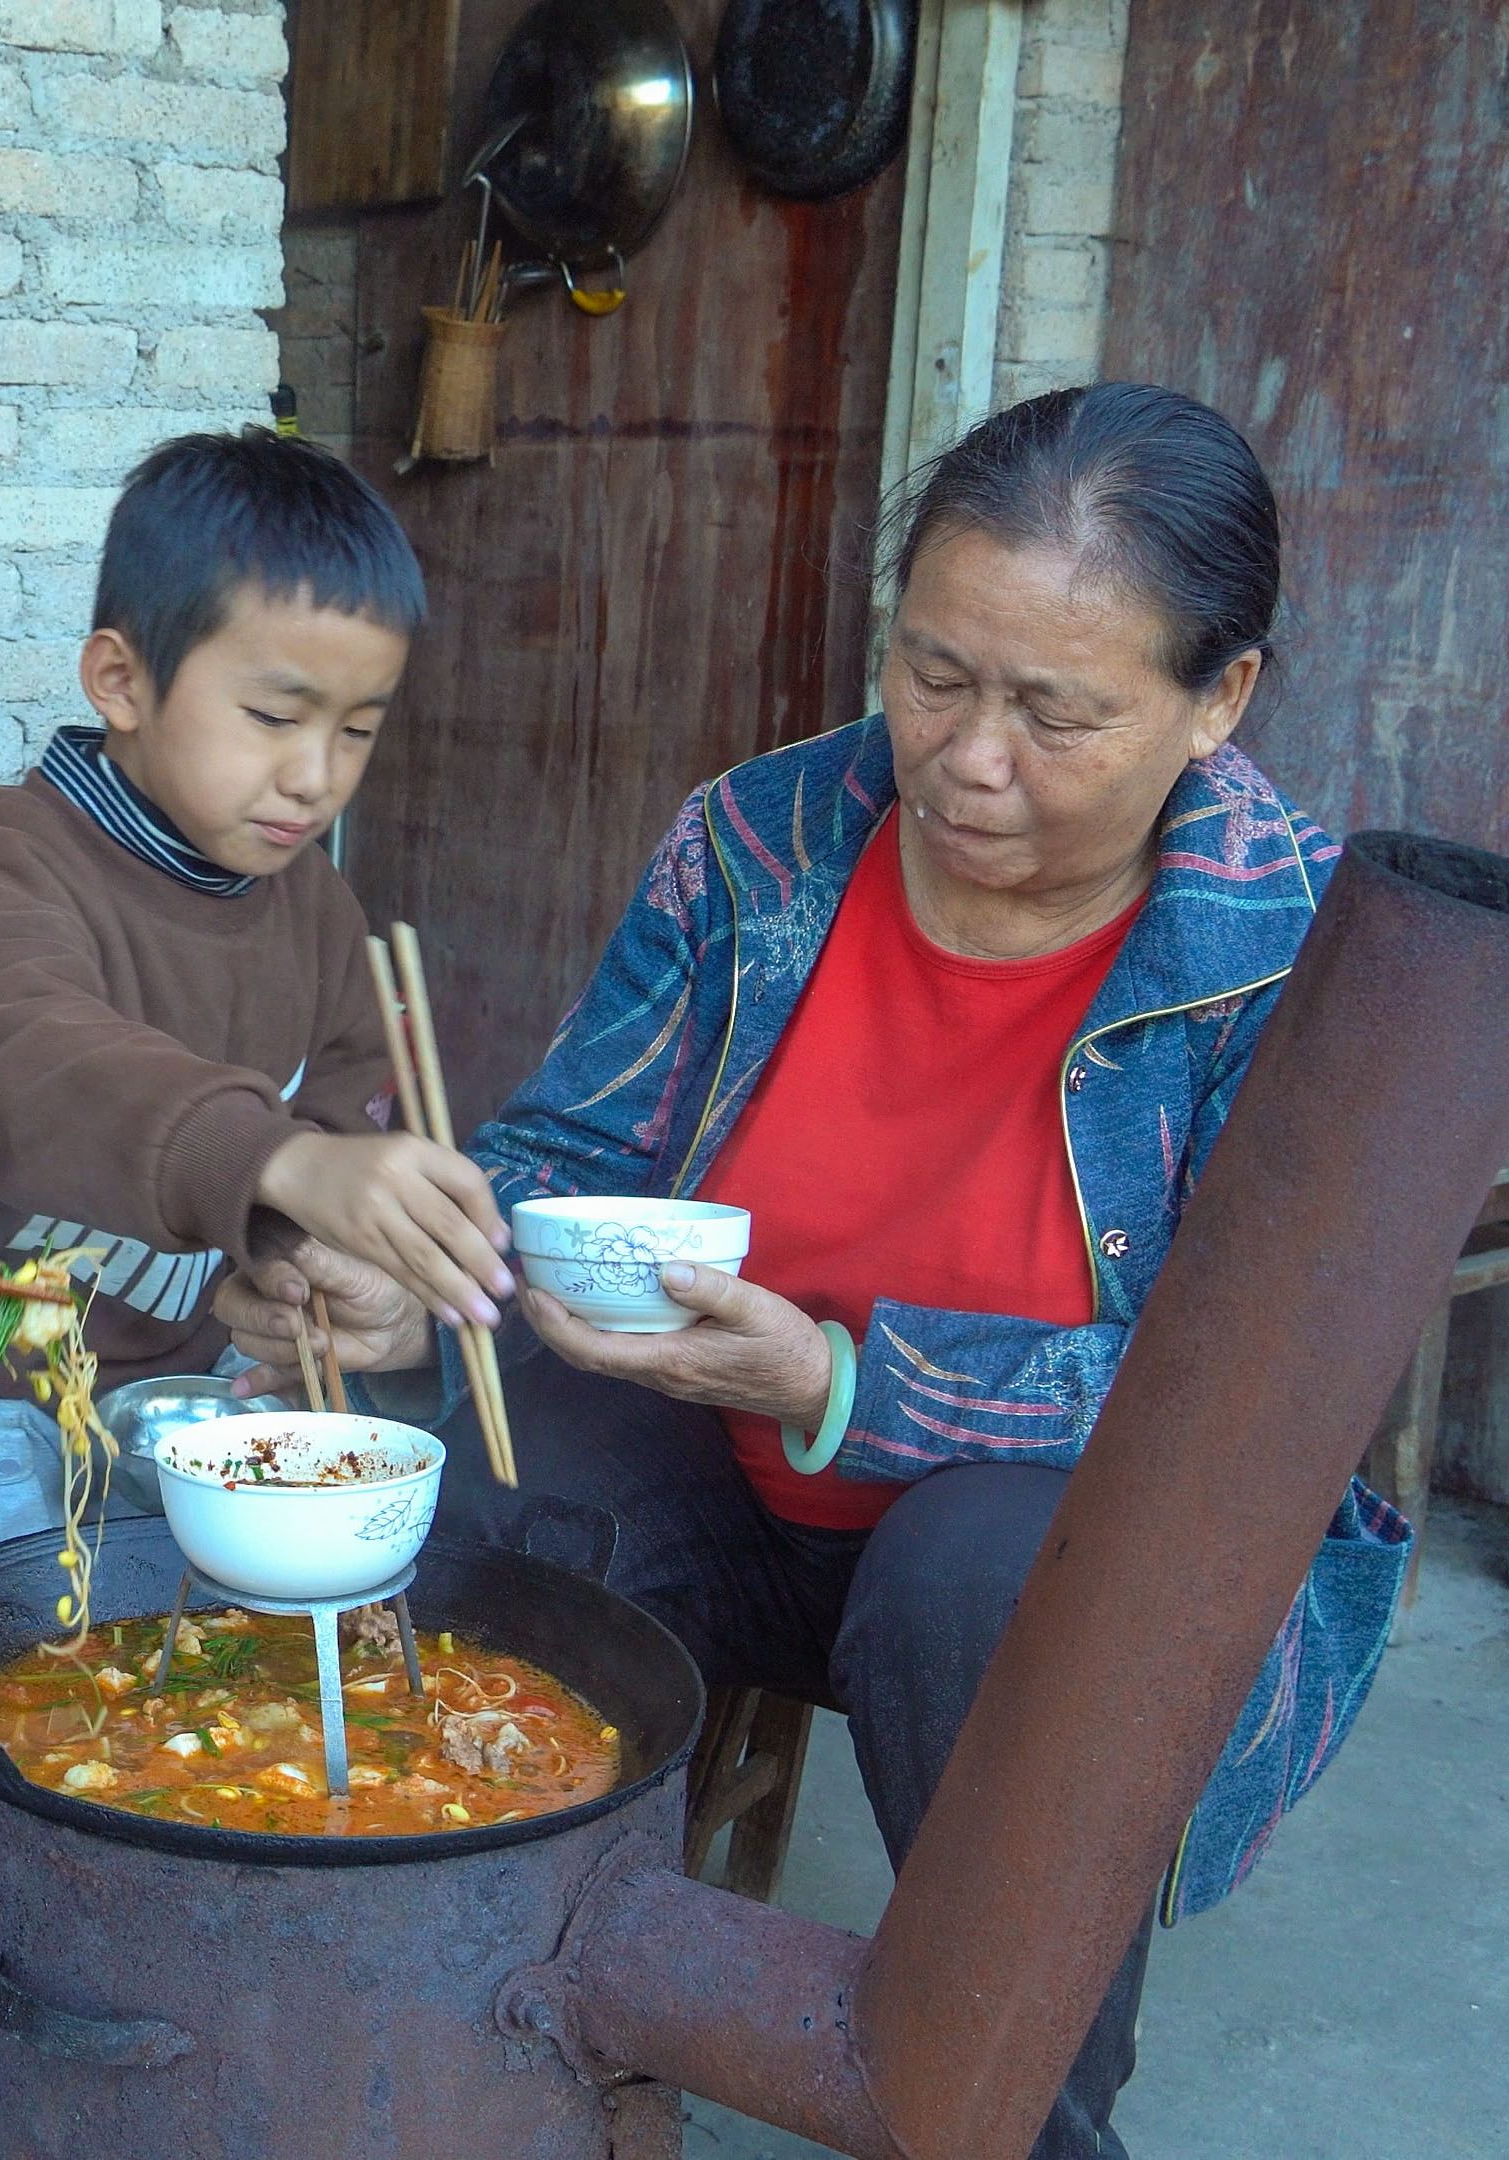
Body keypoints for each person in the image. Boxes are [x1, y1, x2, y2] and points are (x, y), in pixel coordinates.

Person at [223, 382, 1411, 2160]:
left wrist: (852, 1383)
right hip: (722, 1483)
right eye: (933, 673)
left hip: (1024, 1570)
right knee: (481, 1461)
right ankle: (498, 2056)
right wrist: (425, 1279)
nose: (967, 754)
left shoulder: (1302, 954)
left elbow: (1254, 1408)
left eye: (1056, 712)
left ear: (1218, 699)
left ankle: (1016, 2121)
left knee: (988, 1573)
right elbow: (563, 1160)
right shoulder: (761, 838)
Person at [0, 430, 515, 2160]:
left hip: (163, 1393)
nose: (315, 772)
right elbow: (3, 1062)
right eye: (274, 711)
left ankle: (139, 1981)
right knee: (22, 1648)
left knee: (300, 1614)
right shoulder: (6, 865)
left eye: (360, 728)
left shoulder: (319, 915)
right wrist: (286, 1166)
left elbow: (327, 1177)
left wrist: (334, 1290)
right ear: (120, 676)